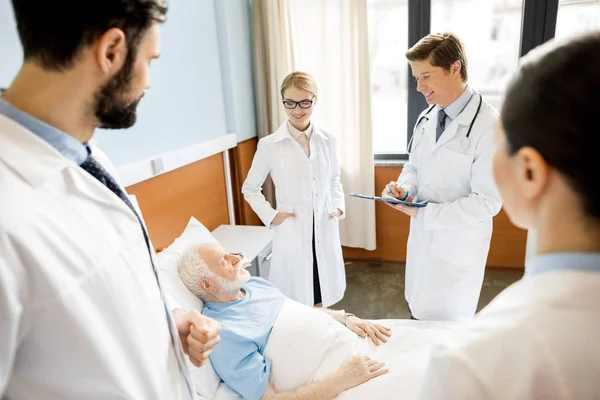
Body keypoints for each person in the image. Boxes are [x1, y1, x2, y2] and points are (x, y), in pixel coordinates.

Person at [0, 1, 220, 399]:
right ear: (112, 51)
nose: (148, 82)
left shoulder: (87, 158)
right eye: (150, 61)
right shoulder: (9, 214)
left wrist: (170, 317)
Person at [418, 32, 600, 399]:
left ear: (529, 171)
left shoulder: (470, 365)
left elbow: (484, 199)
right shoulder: (427, 117)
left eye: (503, 143)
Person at [382, 33, 502, 321]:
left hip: (457, 252)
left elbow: (488, 202)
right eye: (416, 78)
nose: (419, 87)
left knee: (446, 336)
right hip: (424, 244)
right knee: (418, 318)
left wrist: (425, 214)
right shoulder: (426, 119)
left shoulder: (490, 126)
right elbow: (414, 167)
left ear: (455, 68)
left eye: (426, 76)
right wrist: (403, 188)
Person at [177, 242, 391, 400]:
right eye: (224, 260)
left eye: (230, 253)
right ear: (207, 285)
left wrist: (345, 318)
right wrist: (342, 379)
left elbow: (298, 311)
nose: (236, 257)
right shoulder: (223, 333)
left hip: (352, 347)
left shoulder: (255, 285)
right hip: (338, 378)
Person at [242, 71, 346, 308]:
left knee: (322, 292)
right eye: (290, 103)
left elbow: (334, 179)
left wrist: (338, 206)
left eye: (304, 102)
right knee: (297, 296)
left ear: (314, 100)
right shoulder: (269, 144)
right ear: (283, 101)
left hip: (323, 223)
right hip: (292, 228)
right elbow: (250, 188)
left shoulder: (328, 140)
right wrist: (271, 215)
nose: (297, 110)